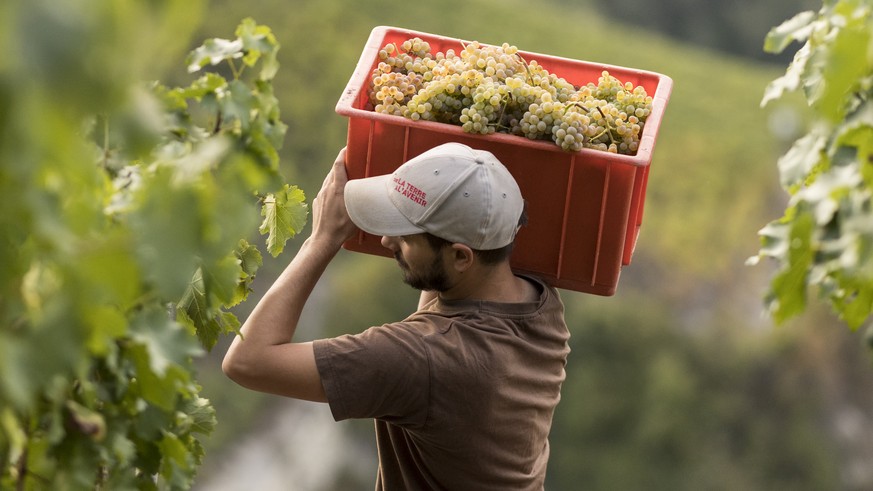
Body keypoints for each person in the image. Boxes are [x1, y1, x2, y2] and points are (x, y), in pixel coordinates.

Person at [222, 142, 570, 490]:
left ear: (462, 258)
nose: (387, 240)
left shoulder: (422, 359)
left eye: (406, 235)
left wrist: (322, 239)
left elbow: (248, 361)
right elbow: (437, 305)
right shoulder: (540, 305)